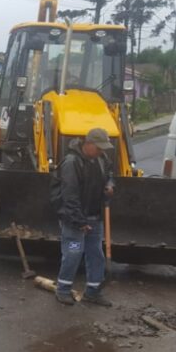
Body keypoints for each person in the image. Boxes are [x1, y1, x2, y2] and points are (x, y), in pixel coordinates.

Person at [50, 127, 115, 307]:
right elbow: (69, 196)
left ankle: (93, 292)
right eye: (99, 147)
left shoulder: (101, 159)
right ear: (88, 143)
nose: (102, 151)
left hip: (95, 217)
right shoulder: (71, 162)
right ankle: (62, 290)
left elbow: (110, 173)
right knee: (73, 252)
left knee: (96, 254)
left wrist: (110, 184)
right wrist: (80, 222)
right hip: (74, 220)